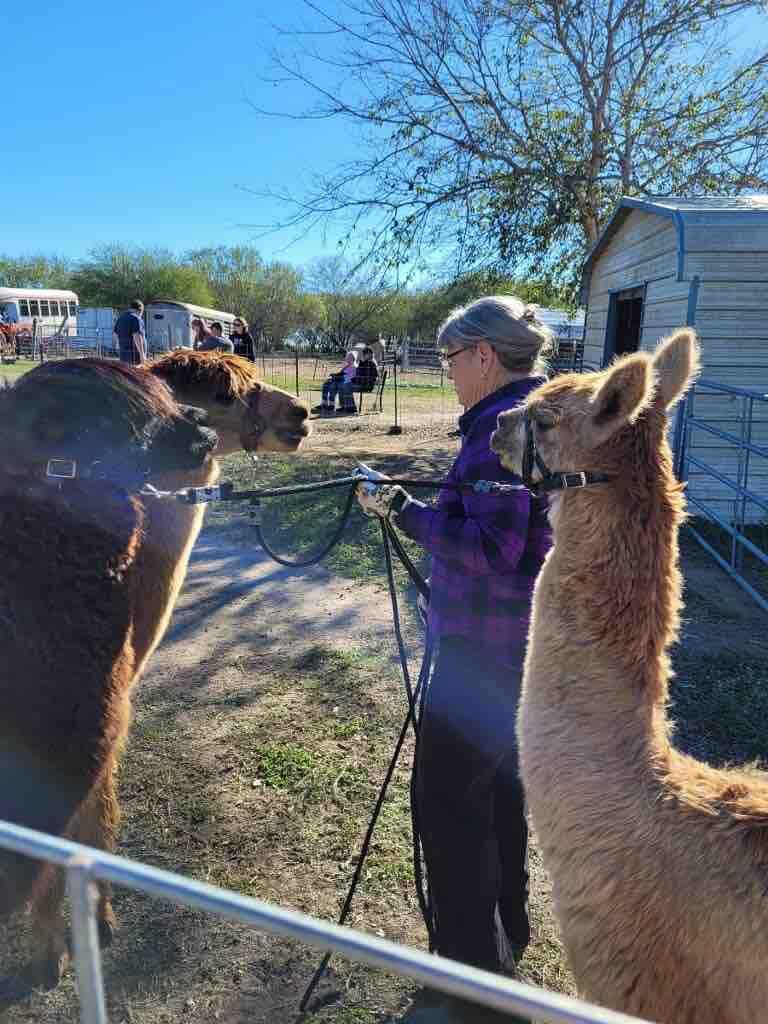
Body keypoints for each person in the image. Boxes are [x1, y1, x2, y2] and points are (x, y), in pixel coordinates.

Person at [356, 296, 553, 1023]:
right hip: (512, 652)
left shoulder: (506, 429)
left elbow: (495, 548)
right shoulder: (533, 419)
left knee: (448, 805)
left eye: (449, 359)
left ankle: (475, 987)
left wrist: (403, 510)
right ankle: (503, 949)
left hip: (484, 654)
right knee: (498, 798)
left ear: (482, 357)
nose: (448, 373)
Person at [312, 350, 358, 415]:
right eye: (347, 357)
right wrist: (334, 375)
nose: (347, 359)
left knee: (333, 385)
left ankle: (331, 405)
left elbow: (349, 378)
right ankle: (324, 404)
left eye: (349, 357)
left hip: (345, 383)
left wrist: (337, 376)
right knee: (326, 384)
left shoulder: (354, 367)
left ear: (353, 358)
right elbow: (340, 374)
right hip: (339, 381)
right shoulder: (346, 366)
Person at [337, 345, 379, 413]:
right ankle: (344, 406)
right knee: (342, 385)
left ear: (369, 354)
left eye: (365, 354)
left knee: (346, 386)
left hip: (366, 385)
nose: (363, 355)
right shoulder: (366, 363)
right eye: (364, 354)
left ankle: (351, 408)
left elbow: (366, 377)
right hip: (362, 383)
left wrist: (354, 380)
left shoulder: (370, 363)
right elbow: (360, 375)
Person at [113, 300, 147, 365]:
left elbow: (115, 335)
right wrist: (142, 355)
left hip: (123, 355)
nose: (141, 315)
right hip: (135, 356)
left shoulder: (120, 318)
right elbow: (137, 336)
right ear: (139, 310)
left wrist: (118, 348)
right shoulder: (136, 319)